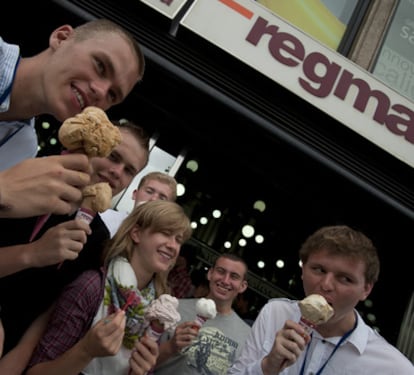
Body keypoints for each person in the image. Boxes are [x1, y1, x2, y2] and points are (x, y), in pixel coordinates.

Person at [0, 120, 150, 356]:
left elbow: (48, 313)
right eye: (113, 156)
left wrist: (16, 360)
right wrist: (33, 254)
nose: (117, 172)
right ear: (94, 147)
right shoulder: (32, 179)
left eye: (129, 170)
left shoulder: (99, 237)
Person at [26, 200, 193, 375]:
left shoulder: (157, 309)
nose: (173, 245)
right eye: (166, 233)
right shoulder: (91, 287)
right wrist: (86, 350)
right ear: (136, 233)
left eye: (178, 239)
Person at [0, 18, 145, 217]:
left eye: (112, 95)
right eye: (100, 66)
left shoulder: (24, 147)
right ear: (61, 38)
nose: (101, 91)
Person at [228, 225, 414, 374]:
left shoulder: (394, 368)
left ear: (366, 290)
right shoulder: (275, 313)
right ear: (303, 270)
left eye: (345, 279)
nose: (326, 285)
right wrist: (267, 367)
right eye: (319, 270)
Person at [153, 253, 252, 375]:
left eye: (234, 276)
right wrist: (171, 346)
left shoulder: (248, 336)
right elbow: (139, 361)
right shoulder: (174, 307)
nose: (226, 281)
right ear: (210, 274)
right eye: (221, 271)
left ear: (242, 286)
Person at [101, 171, 177, 238]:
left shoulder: (163, 243)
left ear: (169, 208)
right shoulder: (104, 218)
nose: (153, 199)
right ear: (135, 194)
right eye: (149, 191)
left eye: (162, 198)